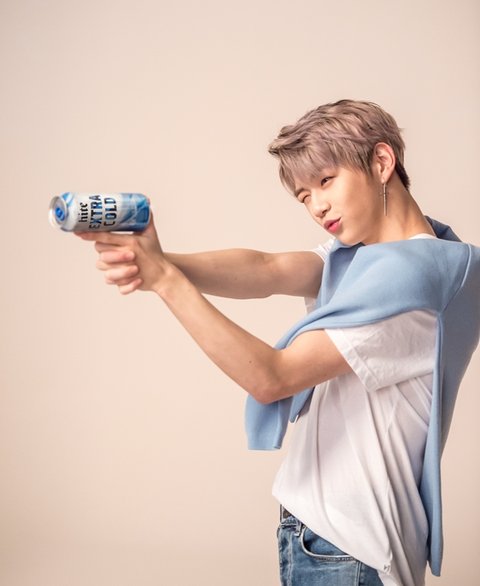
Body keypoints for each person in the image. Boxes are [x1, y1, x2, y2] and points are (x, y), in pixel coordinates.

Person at [76, 99, 480, 586]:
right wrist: (159, 261)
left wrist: (167, 282)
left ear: (381, 161)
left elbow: (273, 377)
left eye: (326, 181)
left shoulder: (414, 282)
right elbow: (268, 269)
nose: (316, 206)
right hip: (330, 536)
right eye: (303, 196)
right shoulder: (371, 257)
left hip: (349, 546)